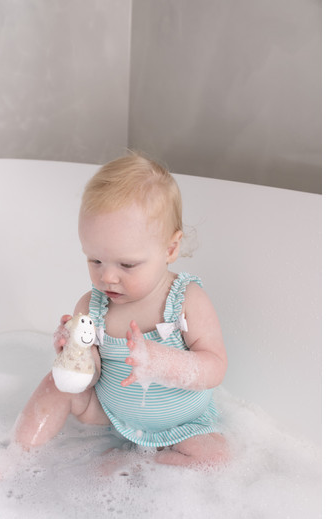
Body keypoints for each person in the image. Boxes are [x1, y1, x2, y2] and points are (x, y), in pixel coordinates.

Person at [13, 153, 229, 466]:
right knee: (56, 385)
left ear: (170, 249)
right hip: (109, 414)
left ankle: (141, 467)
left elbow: (215, 367)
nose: (108, 277)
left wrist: (162, 362)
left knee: (218, 457)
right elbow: (94, 376)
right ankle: (17, 456)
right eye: (95, 260)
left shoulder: (186, 300)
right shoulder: (92, 307)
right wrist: (75, 358)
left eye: (127, 264)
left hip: (183, 425)